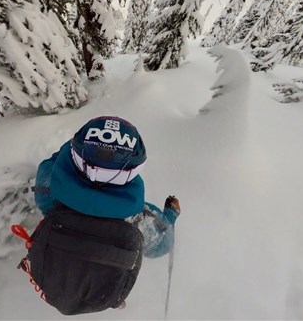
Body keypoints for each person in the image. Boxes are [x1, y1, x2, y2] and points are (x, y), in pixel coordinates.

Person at [16, 116, 180, 315]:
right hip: (101, 289)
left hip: (57, 268)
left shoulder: (48, 184)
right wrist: (171, 214)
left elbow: (56, 161)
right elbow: (162, 245)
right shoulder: (138, 219)